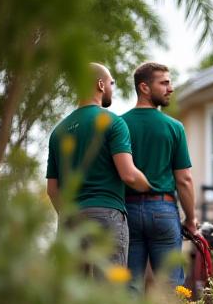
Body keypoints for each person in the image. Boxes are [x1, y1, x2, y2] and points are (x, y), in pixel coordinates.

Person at [46, 63, 152, 268]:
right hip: (107, 215)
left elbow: (52, 190)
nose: (113, 88)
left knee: (74, 295)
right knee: (109, 293)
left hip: (70, 220)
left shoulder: (58, 131)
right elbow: (129, 175)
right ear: (101, 85)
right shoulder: (113, 122)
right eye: (112, 83)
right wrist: (150, 186)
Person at [121, 62, 197, 292]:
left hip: (128, 210)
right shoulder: (174, 127)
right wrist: (191, 220)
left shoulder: (119, 125)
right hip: (162, 211)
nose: (170, 88)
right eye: (164, 83)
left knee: (130, 286)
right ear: (144, 87)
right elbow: (184, 179)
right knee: (170, 287)